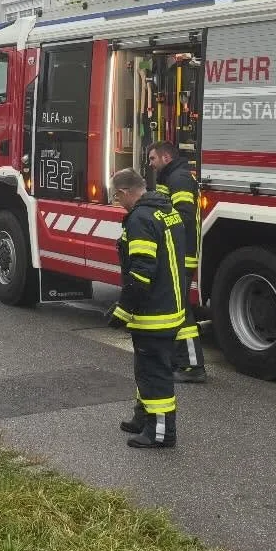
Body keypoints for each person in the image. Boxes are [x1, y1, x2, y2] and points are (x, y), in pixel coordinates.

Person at [110, 168, 188, 449]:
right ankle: (143, 417)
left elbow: (142, 271)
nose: (118, 202)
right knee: (146, 369)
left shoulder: (140, 219)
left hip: (154, 313)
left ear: (124, 192)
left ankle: (161, 433)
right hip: (170, 306)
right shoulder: (166, 211)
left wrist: (122, 310)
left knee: (154, 373)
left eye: (116, 197)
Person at [148, 140, 207, 383]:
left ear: (166, 158)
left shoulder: (179, 178)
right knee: (175, 308)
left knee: (181, 311)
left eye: (152, 158)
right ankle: (180, 360)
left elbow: (183, 216)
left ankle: (193, 366)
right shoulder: (170, 177)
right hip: (175, 253)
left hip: (180, 255)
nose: (150, 164)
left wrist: (155, 224)